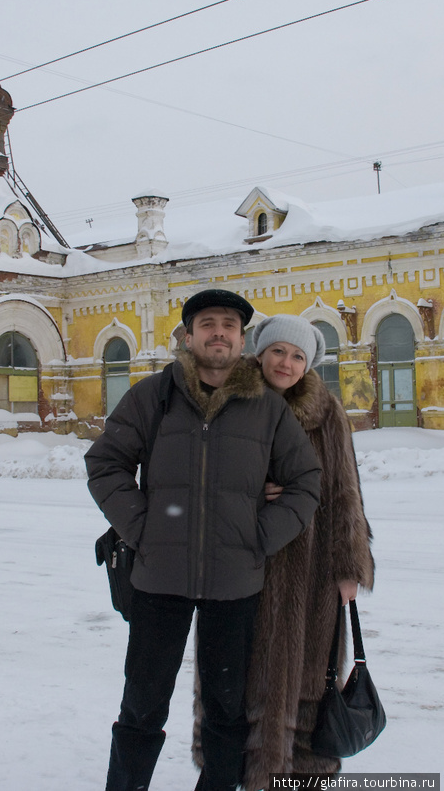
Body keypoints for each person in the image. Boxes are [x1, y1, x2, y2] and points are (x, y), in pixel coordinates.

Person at [86, 290, 322, 791]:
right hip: (158, 580)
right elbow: (106, 463)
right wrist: (142, 528)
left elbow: (306, 482)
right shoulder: (154, 395)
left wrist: (259, 539)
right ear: (189, 335)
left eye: (230, 325)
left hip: (235, 585)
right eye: (208, 323)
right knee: (141, 707)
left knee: (226, 711)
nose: (219, 332)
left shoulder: (267, 408)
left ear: (242, 339)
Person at [191, 314, 375, 786]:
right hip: (241, 561)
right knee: (237, 676)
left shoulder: (326, 412)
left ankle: (299, 775)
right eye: (278, 351)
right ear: (260, 352)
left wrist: (349, 566)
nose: (287, 363)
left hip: (311, 571)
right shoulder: (231, 400)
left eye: (298, 356)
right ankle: (235, 770)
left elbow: (344, 493)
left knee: (309, 674)